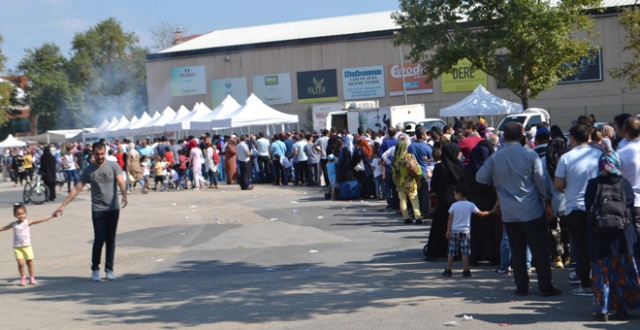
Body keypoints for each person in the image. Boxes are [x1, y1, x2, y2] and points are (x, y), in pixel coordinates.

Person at [477, 122, 561, 297]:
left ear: (504, 136)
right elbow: (539, 180)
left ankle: (521, 286)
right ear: (522, 135)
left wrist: (498, 181)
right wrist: (546, 201)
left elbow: (480, 177)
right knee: (539, 249)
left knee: (517, 250)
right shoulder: (529, 155)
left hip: (509, 211)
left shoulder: (496, 157)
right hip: (531, 208)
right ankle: (545, 286)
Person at [55, 142, 128, 282]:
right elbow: (77, 189)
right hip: (98, 209)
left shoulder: (113, 166)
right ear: (92, 154)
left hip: (113, 208)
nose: (100, 157)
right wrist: (63, 205)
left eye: (102, 154)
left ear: (105, 152)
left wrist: (124, 194)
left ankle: (109, 269)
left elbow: (121, 182)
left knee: (110, 239)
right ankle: (95, 268)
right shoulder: (89, 170)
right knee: (99, 238)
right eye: (97, 154)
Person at [586, 152, 640, 322]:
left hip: (599, 234)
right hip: (622, 235)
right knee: (621, 273)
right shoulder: (624, 184)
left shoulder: (593, 184)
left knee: (602, 272)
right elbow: (629, 205)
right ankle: (621, 308)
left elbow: (588, 206)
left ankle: (602, 310)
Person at [554, 124, 602, 297]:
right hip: (597, 205)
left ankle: (586, 283)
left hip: (574, 206)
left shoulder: (566, 158)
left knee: (580, 247)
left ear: (572, 138)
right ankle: (601, 280)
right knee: (597, 244)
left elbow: (558, 184)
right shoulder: (599, 154)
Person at [443, 184, 494, 278]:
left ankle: (448, 270)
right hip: (465, 231)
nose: (454, 196)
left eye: (455, 194)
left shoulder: (454, 205)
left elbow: (450, 218)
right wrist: (492, 211)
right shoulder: (471, 205)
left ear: (459, 194)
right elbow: (481, 214)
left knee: (451, 252)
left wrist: (448, 230)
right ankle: (465, 270)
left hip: (454, 231)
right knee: (465, 252)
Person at [0, 204, 56, 286]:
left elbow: (41, 219)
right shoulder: (14, 224)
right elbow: (4, 228)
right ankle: (23, 278)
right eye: (18, 214)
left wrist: (52, 215)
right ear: (15, 215)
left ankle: (32, 277)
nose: (21, 216)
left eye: (22, 213)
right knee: (20, 263)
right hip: (17, 248)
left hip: (27, 247)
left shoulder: (28, 222)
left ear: (26, 213)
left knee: (29, 263)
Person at [426, 143, 463, 260]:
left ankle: (435, 252)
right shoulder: (461, 168)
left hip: (443, 202)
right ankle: (457, 252)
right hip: (458, 202)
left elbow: (434, 185)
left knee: (439, 228)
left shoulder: (439, 168)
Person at [392, 139, 422, 224]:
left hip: (400, 183)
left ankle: (406, 218)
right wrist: (418, 179)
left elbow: (394, 175)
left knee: (403, 200)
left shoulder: (395, 160)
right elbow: (418, 170)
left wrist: (397, 183)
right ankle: (418, 217)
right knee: (414, 200)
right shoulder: (409, 156)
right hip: (411, 182)